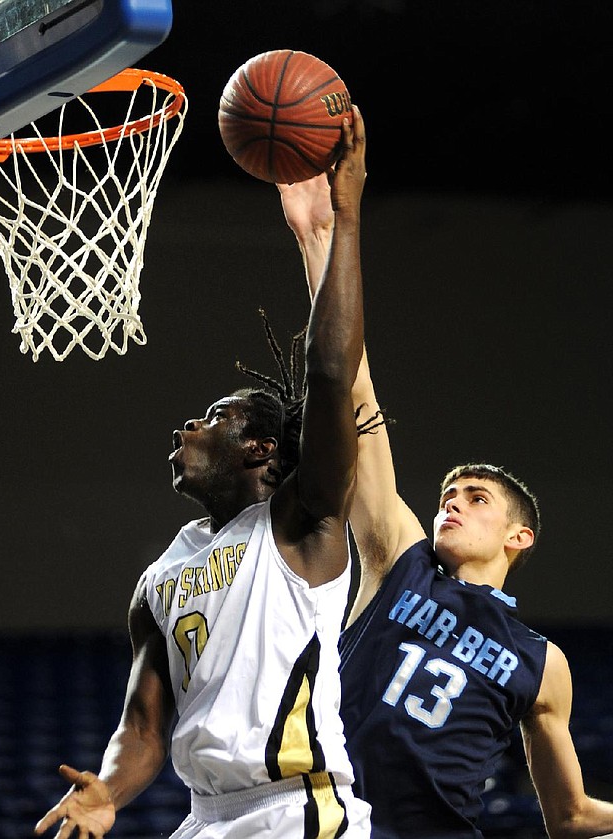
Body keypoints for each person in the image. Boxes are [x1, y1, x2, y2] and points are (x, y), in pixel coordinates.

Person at [34, 107, 371, 839]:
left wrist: (341, 219)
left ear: (260, 451)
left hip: (295, 808)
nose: (186, 426)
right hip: (204, 817)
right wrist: (109, 790)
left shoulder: (302, 521)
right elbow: (144, 726)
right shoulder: (161, 573)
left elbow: (328, 372)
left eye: (214, 416)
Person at [278, 174, 613, 839]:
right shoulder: (398, 558)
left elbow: (570, 815)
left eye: (476, 499)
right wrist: (322, 236)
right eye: (447, 497)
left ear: (520, 536)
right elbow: (355, 390)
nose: (451, 506)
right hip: (331, 824)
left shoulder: (541, 661)